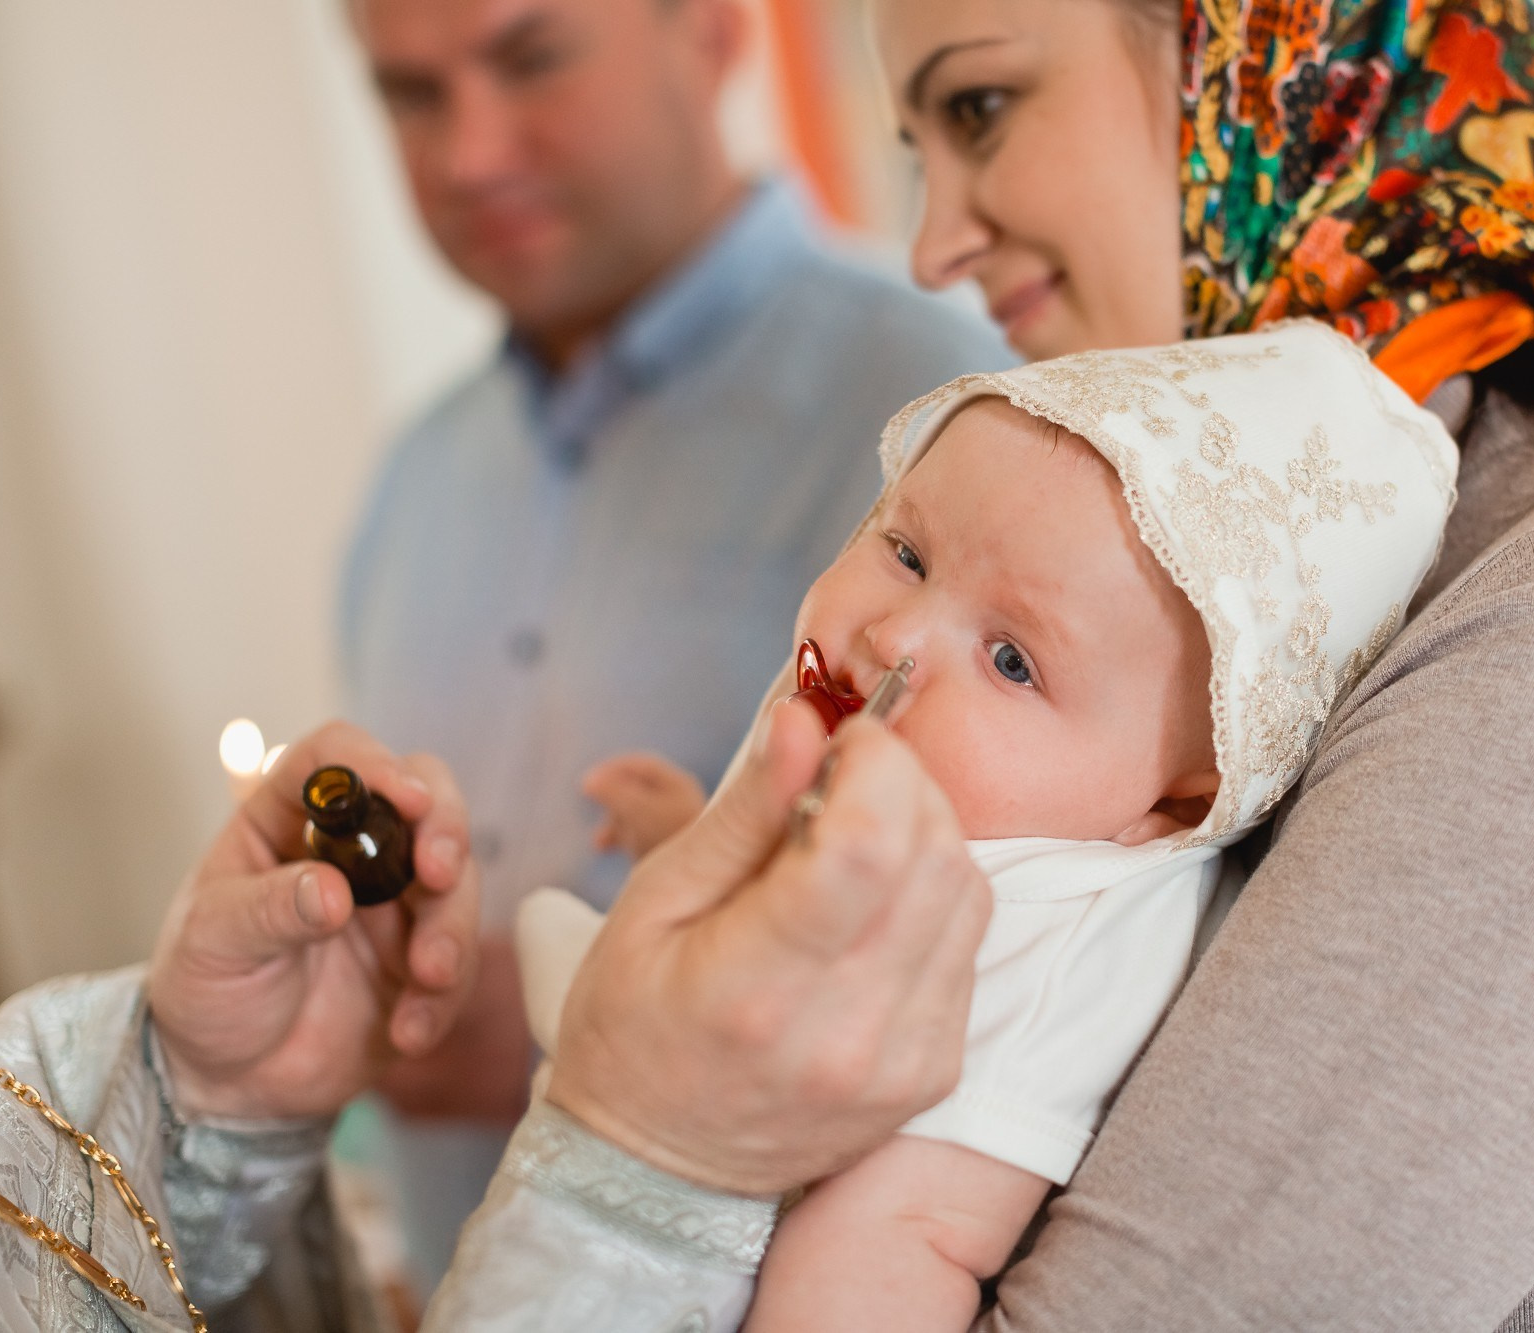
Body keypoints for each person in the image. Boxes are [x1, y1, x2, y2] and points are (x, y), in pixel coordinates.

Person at [0, 2, 1534, 1329]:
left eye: (980, 108)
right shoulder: (1256, 581)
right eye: (912, 139)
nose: (928, 241)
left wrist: (648, 1159)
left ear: (1268, 57)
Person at [515, 324, 1458, 1331]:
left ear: (1175, 804)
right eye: (906, 553)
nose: (895, 635)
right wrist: (693, 842)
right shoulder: (898, 749)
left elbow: (902, 1233)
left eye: (1012, 662)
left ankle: (604, 1006)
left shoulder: (1050, 935)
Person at [338, 0, 1010, 1290]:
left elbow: (1022, 981)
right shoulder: (411, 482)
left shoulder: (952, 412)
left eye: (532, 58)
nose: (469, 153)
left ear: (709, 31)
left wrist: (565, 1024)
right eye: (411, 95)